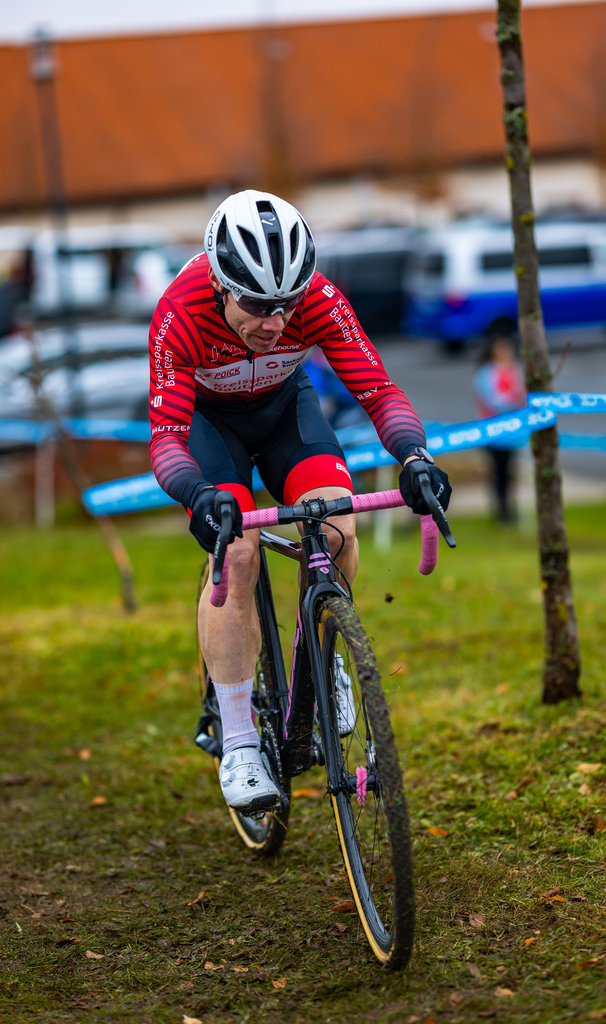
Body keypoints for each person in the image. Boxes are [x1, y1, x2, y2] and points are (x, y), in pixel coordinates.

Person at [148, 189, 451, 812]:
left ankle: (324, 660)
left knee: (337, 527)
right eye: (257, 304)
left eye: (285, 303)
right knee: (238, 553)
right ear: (222, 285)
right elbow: (168, 443)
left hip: (286, 410)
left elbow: (379, 392)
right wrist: (199, 495)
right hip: (211, 429)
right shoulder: (179, 314)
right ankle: (238, 740)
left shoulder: (318, 299)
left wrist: (416, 457)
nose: (275, 321)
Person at [473, 334, 526, 523]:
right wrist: (515, 401)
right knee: (497, 471)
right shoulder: (486, 374)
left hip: (512, 432)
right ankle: (500, 511)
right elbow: (493, 401)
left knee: (511, 472)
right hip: (492, 432)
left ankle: (510, 510)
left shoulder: (516, 371)